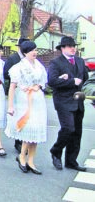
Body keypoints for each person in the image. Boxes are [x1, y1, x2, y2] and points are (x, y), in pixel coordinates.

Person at [5, 41, 47, 174]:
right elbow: (12, 87)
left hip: (37, 99)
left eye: (35, 50)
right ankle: (22, 155)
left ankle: (31, 160)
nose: (34, 53)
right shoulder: (18, 67)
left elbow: (42, 82)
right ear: (25, 53)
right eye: (31, 51)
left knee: (37, 129)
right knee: (28, 128)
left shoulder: (39, 66)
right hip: (24, 100)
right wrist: (10, 106)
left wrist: (38, 86)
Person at [48, 36, 89, 172]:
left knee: (76, 132)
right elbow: (52, 82)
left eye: (74, 46)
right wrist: (71, 81)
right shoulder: (56, 63)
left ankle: (71, 161)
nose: (73, 48)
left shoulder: (80, 61)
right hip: (63, 101)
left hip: (78, 101)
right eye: (69, 46)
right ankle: (56, 151)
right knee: (68, 128)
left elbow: (86, 79)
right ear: (62, 48)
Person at [3, 38, 30, 153]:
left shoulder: (29, 59)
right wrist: (17, 79)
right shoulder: (13, 58)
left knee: (27, 115)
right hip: (18, 89)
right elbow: (5, 73)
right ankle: (18, 142)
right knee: (19, 115)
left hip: (28, 91)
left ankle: (26, 140)